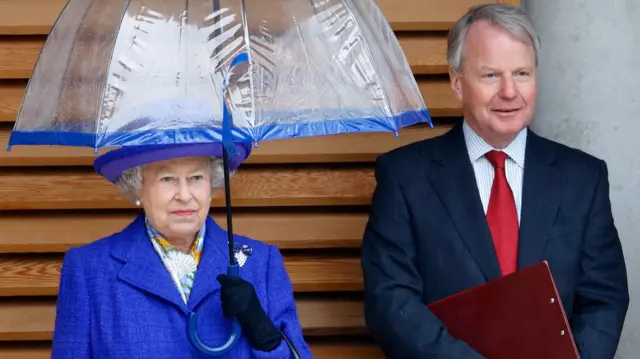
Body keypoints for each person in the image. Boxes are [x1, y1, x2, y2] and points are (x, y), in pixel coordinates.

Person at [360, 3, 629, 359]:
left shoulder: (584, 178)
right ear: (457, 82)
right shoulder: (405, 177)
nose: (509, 91)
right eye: (490, 75)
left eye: (521, 73)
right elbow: (390, 302)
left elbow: (604, 299)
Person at [51, 139, 313, 358]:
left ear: (212, 184)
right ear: (138, 186)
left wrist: (264, 335)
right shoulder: (89, 269)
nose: (185, 195)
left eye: (196, 177)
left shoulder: (260, 264)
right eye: (167, 179)